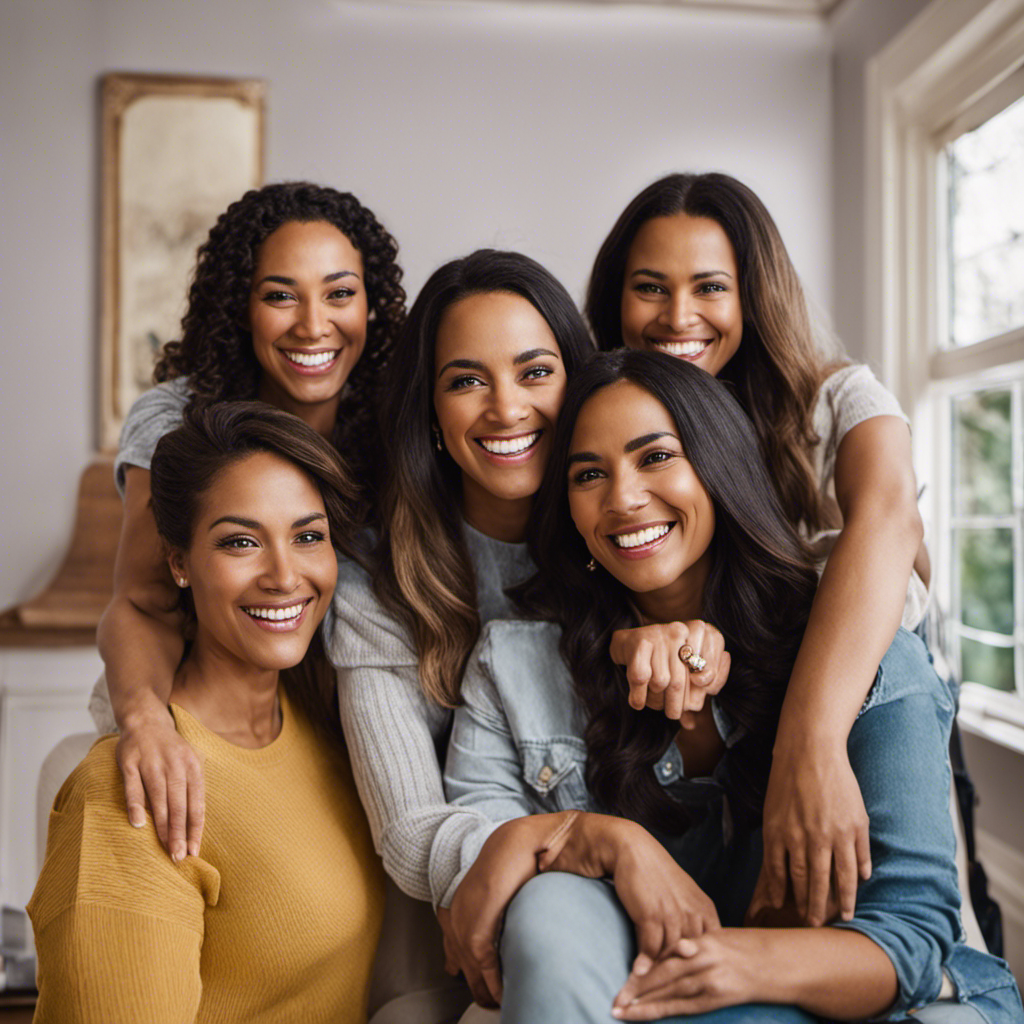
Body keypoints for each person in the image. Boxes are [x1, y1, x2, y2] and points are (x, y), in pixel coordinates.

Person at [441, 350, 1023, 1023]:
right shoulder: (515, 665)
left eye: (656, 456)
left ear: (721, 470)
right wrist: (599, 836)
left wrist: (736, 964)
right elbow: (485, 873)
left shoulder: (861, 648)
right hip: (645, 979)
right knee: (544, 903)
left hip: (868, 997)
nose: (623, 498)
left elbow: (914, 939)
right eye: (589, 474)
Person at [586, 172, 932, 925]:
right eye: (650, 287)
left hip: (856, 720)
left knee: (912, 924)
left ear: (754, 295)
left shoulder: (839, 400)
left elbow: (888, 526)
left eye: (710, 286)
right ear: (616, 298)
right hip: (712, 753)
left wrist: (810, 746)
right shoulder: (606, 429)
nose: (679, 315)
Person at [30, 402, 385, 1023]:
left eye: (307, 536)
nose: (283, 575)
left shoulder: (329, 732)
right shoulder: (128, 795)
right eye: (240, 542)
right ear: (178, 563)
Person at [91, 182, 406, 862]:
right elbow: (142, 600)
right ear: (241, 307)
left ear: (372, 305)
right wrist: (147, 724)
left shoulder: (401, 425)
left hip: (357, 726)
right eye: (280, 294)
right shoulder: (179, 421)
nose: (313, 324)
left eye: (340, 293)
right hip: (211, 713)